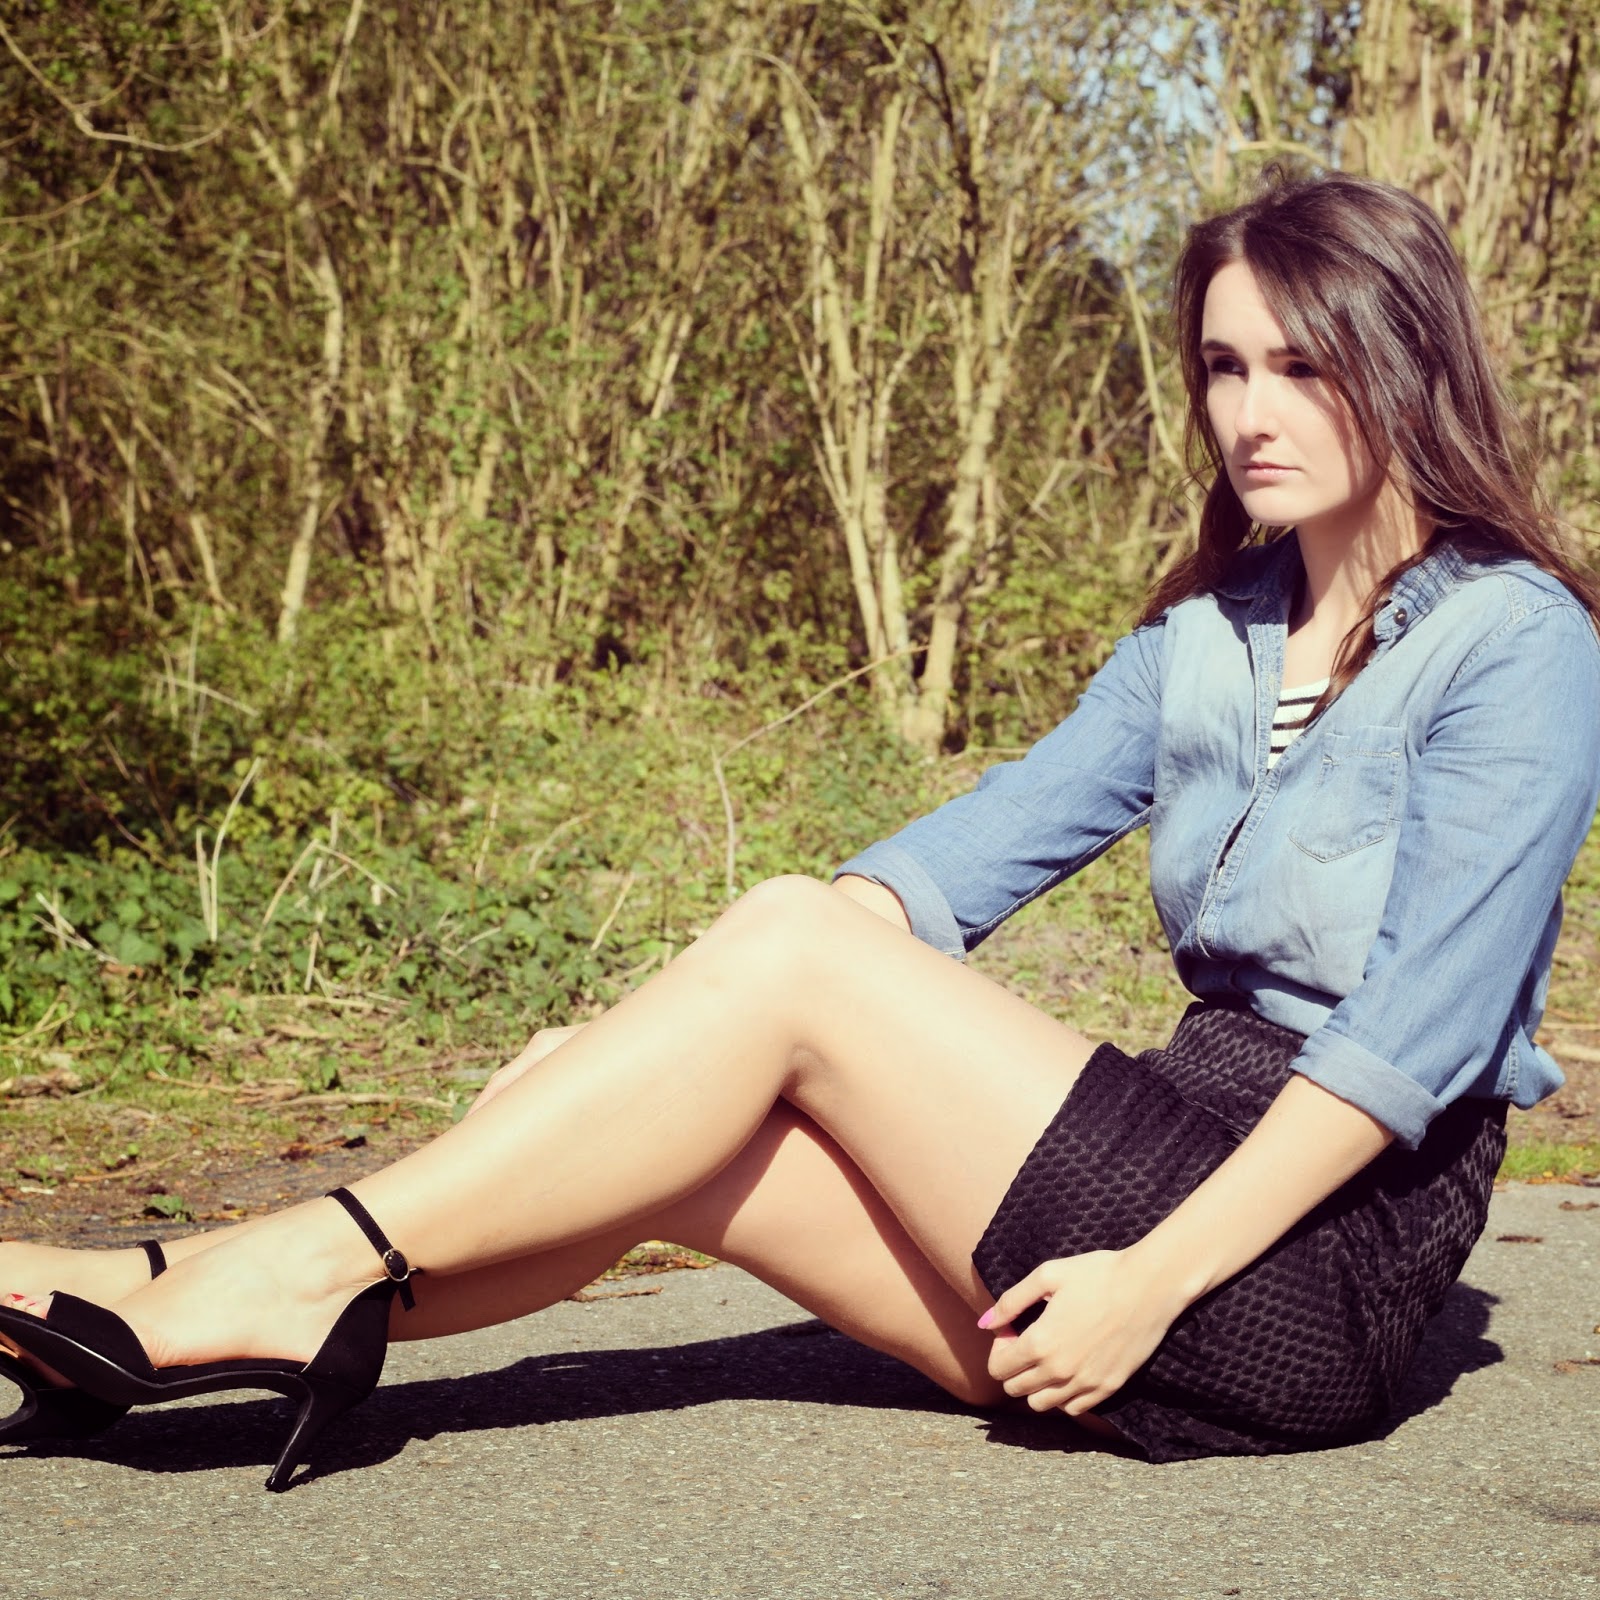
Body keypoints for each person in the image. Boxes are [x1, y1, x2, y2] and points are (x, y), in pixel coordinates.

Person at [3, 168, 1598, 1488]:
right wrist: (649, 1039)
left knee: (783, 940)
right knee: (661, 1123)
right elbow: (961, 858)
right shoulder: (1212, 635)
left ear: (1406, 362)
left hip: (1308, 1263)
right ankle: (174, 1305)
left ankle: (251, 1275)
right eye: (1224, 366)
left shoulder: (1515, 643)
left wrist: (1151, 1279)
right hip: (1158, 1173)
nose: (1250, 410)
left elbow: (1405, 1049)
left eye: (1303, 367)